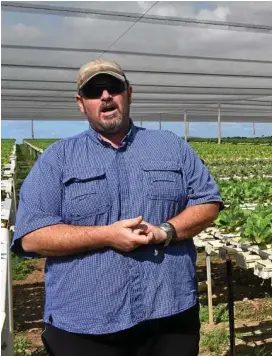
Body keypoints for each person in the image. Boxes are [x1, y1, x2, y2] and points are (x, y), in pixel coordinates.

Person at [11, 59, 223, 356]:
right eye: (94, 91)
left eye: (114, 87)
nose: (106, 96)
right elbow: (32, 236)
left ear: (129, 93)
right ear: (81, 103)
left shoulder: (171, 146)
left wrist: (165, 231)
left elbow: (208, 201)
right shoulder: (57, 159)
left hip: (170, 312)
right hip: (86, 324)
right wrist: (106, 235)